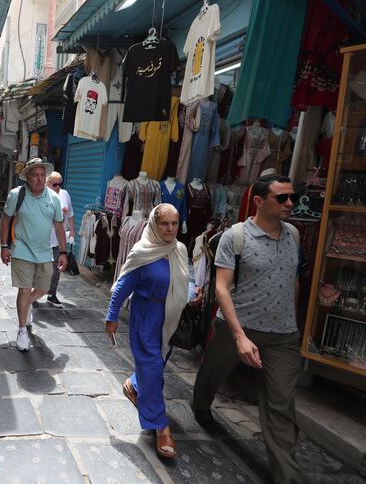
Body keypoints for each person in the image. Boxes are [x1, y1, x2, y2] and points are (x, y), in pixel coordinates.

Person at [192, 174, 304, 484]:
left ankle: (288, 477)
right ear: (258, 200)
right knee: (212, 374)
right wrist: (240, 336)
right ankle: (200, 406)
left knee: (281, 405)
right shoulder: (236, 237)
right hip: (238, 327)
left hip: (282, 335)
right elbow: (222, 287)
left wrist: (292, 322)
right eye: (282, 198)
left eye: (292, 197)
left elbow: (292, 280)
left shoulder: (293, 235)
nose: (290, 203)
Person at [105, 204, 202, 459]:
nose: (170, 229)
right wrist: (111, 316)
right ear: (154, 225)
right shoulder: (142, 252)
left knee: (156, 365)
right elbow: (122, 286)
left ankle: (134, 384)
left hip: (170, 319)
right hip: (146, 317)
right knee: (152, 368)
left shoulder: (179, 249)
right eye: (164, 224)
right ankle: (161, 427)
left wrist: (192, 294)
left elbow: (184, 279)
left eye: (174, 223)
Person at [0, 158, 68, 351]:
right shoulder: (17, 195)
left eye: (41, 175)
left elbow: (59, 226)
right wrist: (4, 246)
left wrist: (64, 251)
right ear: (27, 178)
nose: (39, 179)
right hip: (21, 249)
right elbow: (6, 221)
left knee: (44, 289)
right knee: (24, 289)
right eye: (35, 175)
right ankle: (22, 330)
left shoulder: (54, 198)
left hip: (45, 252)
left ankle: (25, 305)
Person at [46, 172, 75, 306]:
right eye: (54, 184)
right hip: (43, 238)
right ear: (48, 183)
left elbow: (70, 215)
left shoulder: (65, 195)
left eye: (59, 184)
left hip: (59, 239)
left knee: (57, 268)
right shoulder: (43, 195)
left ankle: (52, 294)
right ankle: (34, 292)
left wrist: (73, 233)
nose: (57, 187)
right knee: (40, 267)